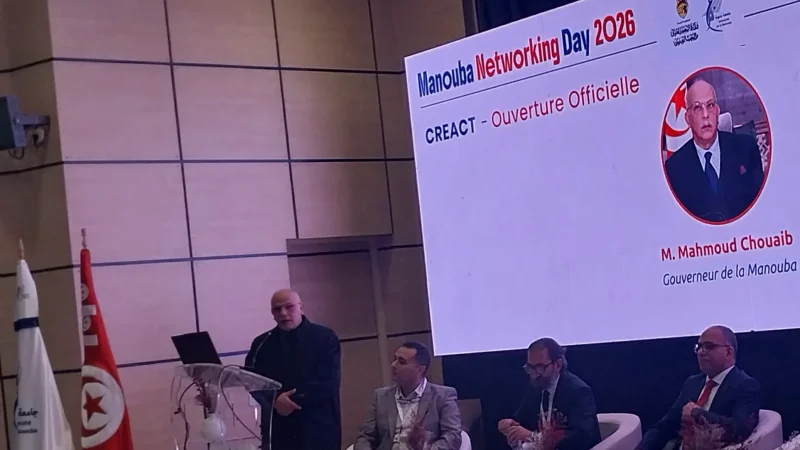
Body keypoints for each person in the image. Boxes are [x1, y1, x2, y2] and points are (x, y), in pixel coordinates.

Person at [244, 289, 341, 450]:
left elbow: (329, 382)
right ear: (272, 313)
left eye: (289, 307)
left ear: (301, 308)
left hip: (318, 429)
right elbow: (251, 380)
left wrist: (290, 401)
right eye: (277, 309)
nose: (283, 313)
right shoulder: (262, 343)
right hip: (278, 430)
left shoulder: (324, 338)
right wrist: (275, 400)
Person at [638, 325, 761, 450]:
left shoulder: (746, 385)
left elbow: (740, 429)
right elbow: (666, 426)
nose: (701, 352)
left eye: (709, 346)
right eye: (699, 347)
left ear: (729, 352)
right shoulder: (693, 383)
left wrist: (698, 414)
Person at [665, 78, 765, 223]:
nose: (705, 115)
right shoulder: (674, 168)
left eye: (710, 105)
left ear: (717, 112)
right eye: (697, 108)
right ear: (688, 118)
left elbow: (761, 207)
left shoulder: (746, 148)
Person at [354, 341, 462, 450]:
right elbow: (366, 437)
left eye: (401, 362)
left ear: (420, 370)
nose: (393, 365)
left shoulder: (442, 396)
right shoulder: (380, 396)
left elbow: (452, 436)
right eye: (395, 359)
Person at [498, 338, 601, 450]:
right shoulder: (535, 387)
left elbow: (580, 437)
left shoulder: (578, 391)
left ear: (558, 364)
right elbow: (522, 418)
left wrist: (533, 437)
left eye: (540, 367)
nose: (534, 374)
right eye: (530, 368)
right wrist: (510, 424)